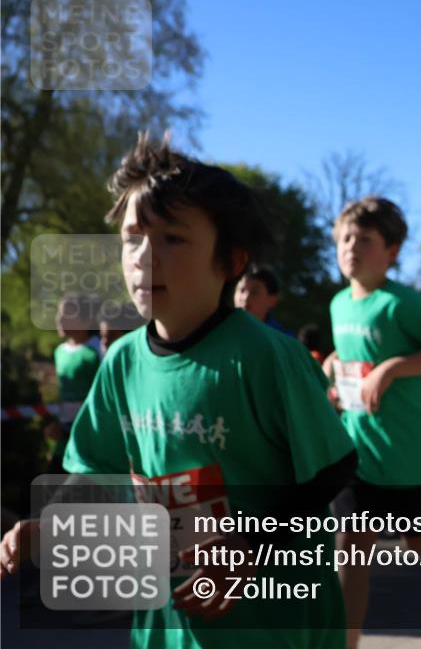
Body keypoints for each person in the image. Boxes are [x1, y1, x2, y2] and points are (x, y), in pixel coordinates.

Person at [1, 134, 359, 648]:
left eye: (173, 238)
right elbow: (95, 473)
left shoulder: (264, 357)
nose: (146, 257)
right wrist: (47, 525)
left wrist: (247, 549)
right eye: (132, 239)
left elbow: (331, 474)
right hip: (169, 618)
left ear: (231, 260)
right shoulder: (122, 361)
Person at [328, 196, 421, 647]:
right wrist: (335, 369)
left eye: (365, 239)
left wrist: (391, 368)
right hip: (359, 451)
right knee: (351, 554)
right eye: (345, 238)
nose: (351, 246)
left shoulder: (402, 303)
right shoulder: (338, 304)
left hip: (408, 452)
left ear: (391, 251)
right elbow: (353, 357)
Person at [47, 293, 102, 474]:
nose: (59, 319)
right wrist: (57, 423)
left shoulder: (98, 350)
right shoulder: (59, 352)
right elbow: (64, 395)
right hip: (64, 439)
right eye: (58, 313)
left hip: (90, 439)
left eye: (67, 314)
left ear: (87, 320)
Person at [234, 264, 293, 335]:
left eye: (255, 292)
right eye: (242, 290)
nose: (245, 298)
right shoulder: (221, 327)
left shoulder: (283, 340)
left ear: (272, 301)